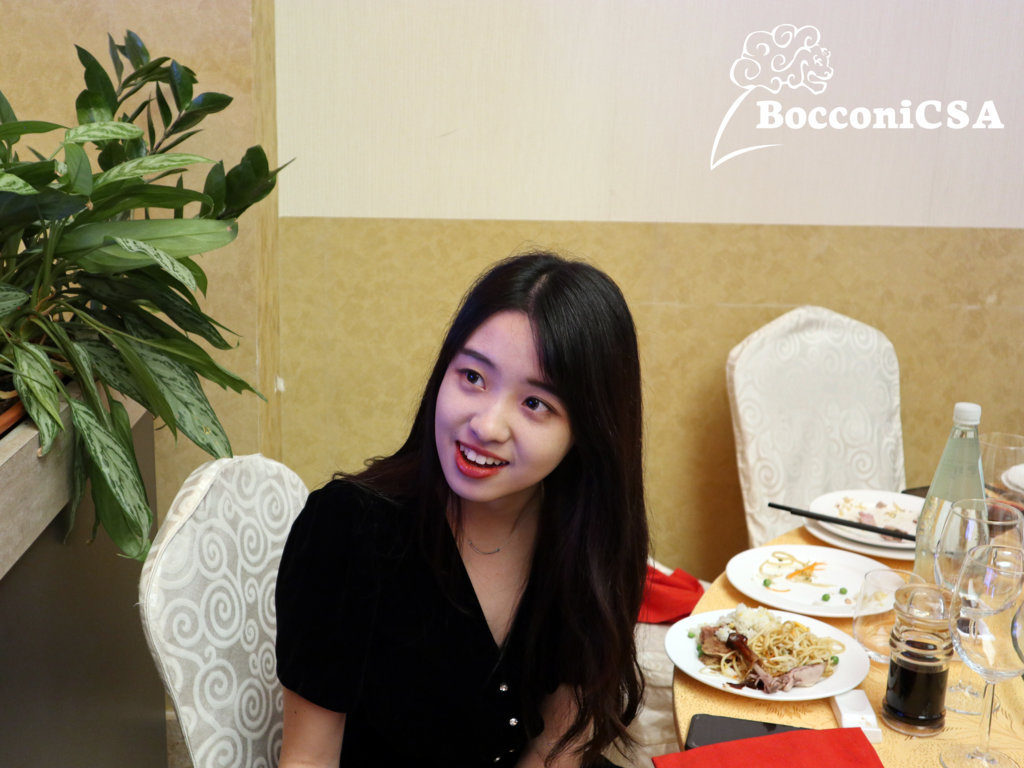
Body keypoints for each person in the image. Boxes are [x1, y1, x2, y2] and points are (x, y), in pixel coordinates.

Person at [275, 251, 650, 767]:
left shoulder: (585, 535)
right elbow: (307, 760)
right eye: (473, 377)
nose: (486, 426)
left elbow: (557, 747)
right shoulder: (345, 529)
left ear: (587, 431)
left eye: (535, 404)